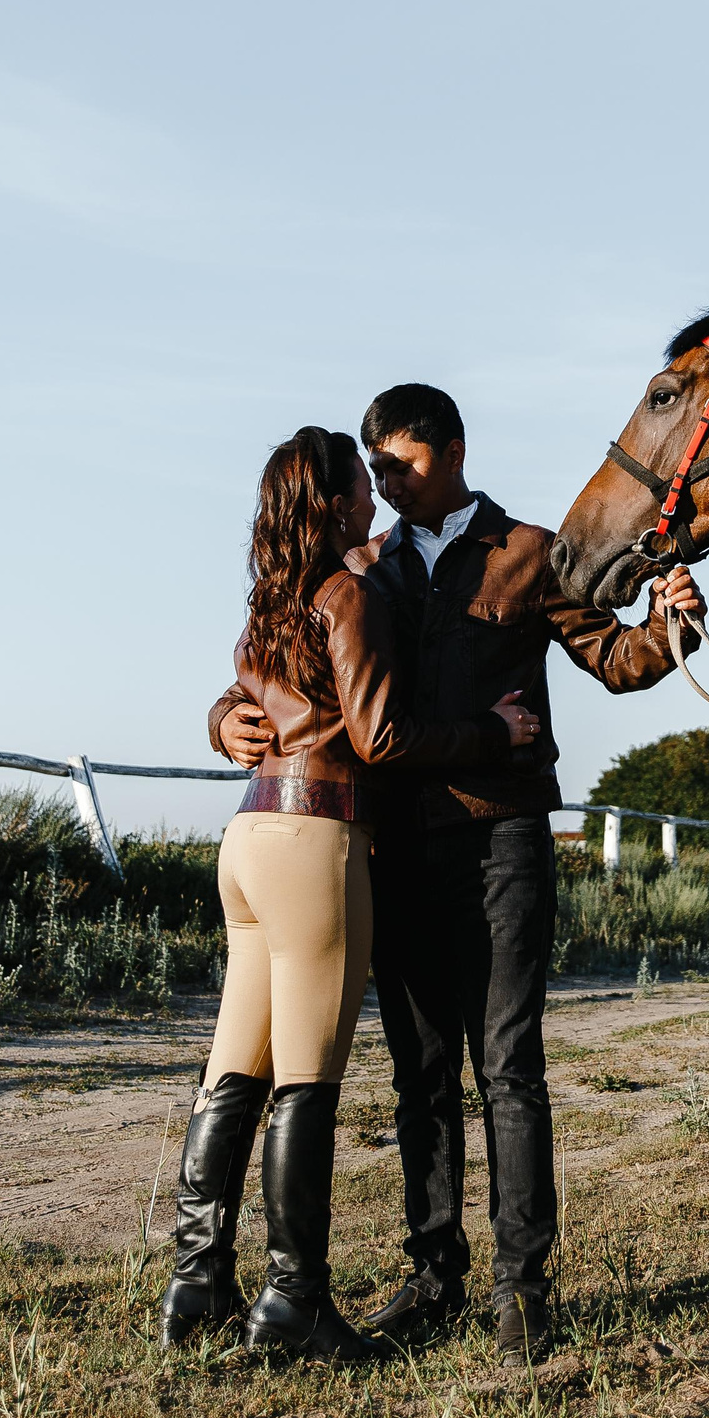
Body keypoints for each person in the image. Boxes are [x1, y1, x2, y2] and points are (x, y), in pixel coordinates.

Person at [212, 384, 702, 1364]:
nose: (387, 484)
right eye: (377, 469)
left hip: (503, 841)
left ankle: (524, 1292)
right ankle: (433, 1278)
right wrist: (223, 722)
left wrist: (670, 627)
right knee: (420, 1080)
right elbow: (266, 669)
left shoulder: (531, 553)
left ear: (454, 450)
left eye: (403, 463)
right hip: (392, 849)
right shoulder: (361, 566)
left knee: (509, 1070)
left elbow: (612, 656)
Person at [164, 424, 540, 1364]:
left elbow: (250, 691)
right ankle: (295, 1300)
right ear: (335, 505)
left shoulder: (272, 599)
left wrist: (221, 716)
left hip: (247, 838)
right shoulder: (347, 591)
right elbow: (379, 736)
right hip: (317, 839)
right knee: (305, 1079)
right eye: (360, 483)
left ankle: (196, 1281)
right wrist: (494, 733)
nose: (374, 493)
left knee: (234, 1070)